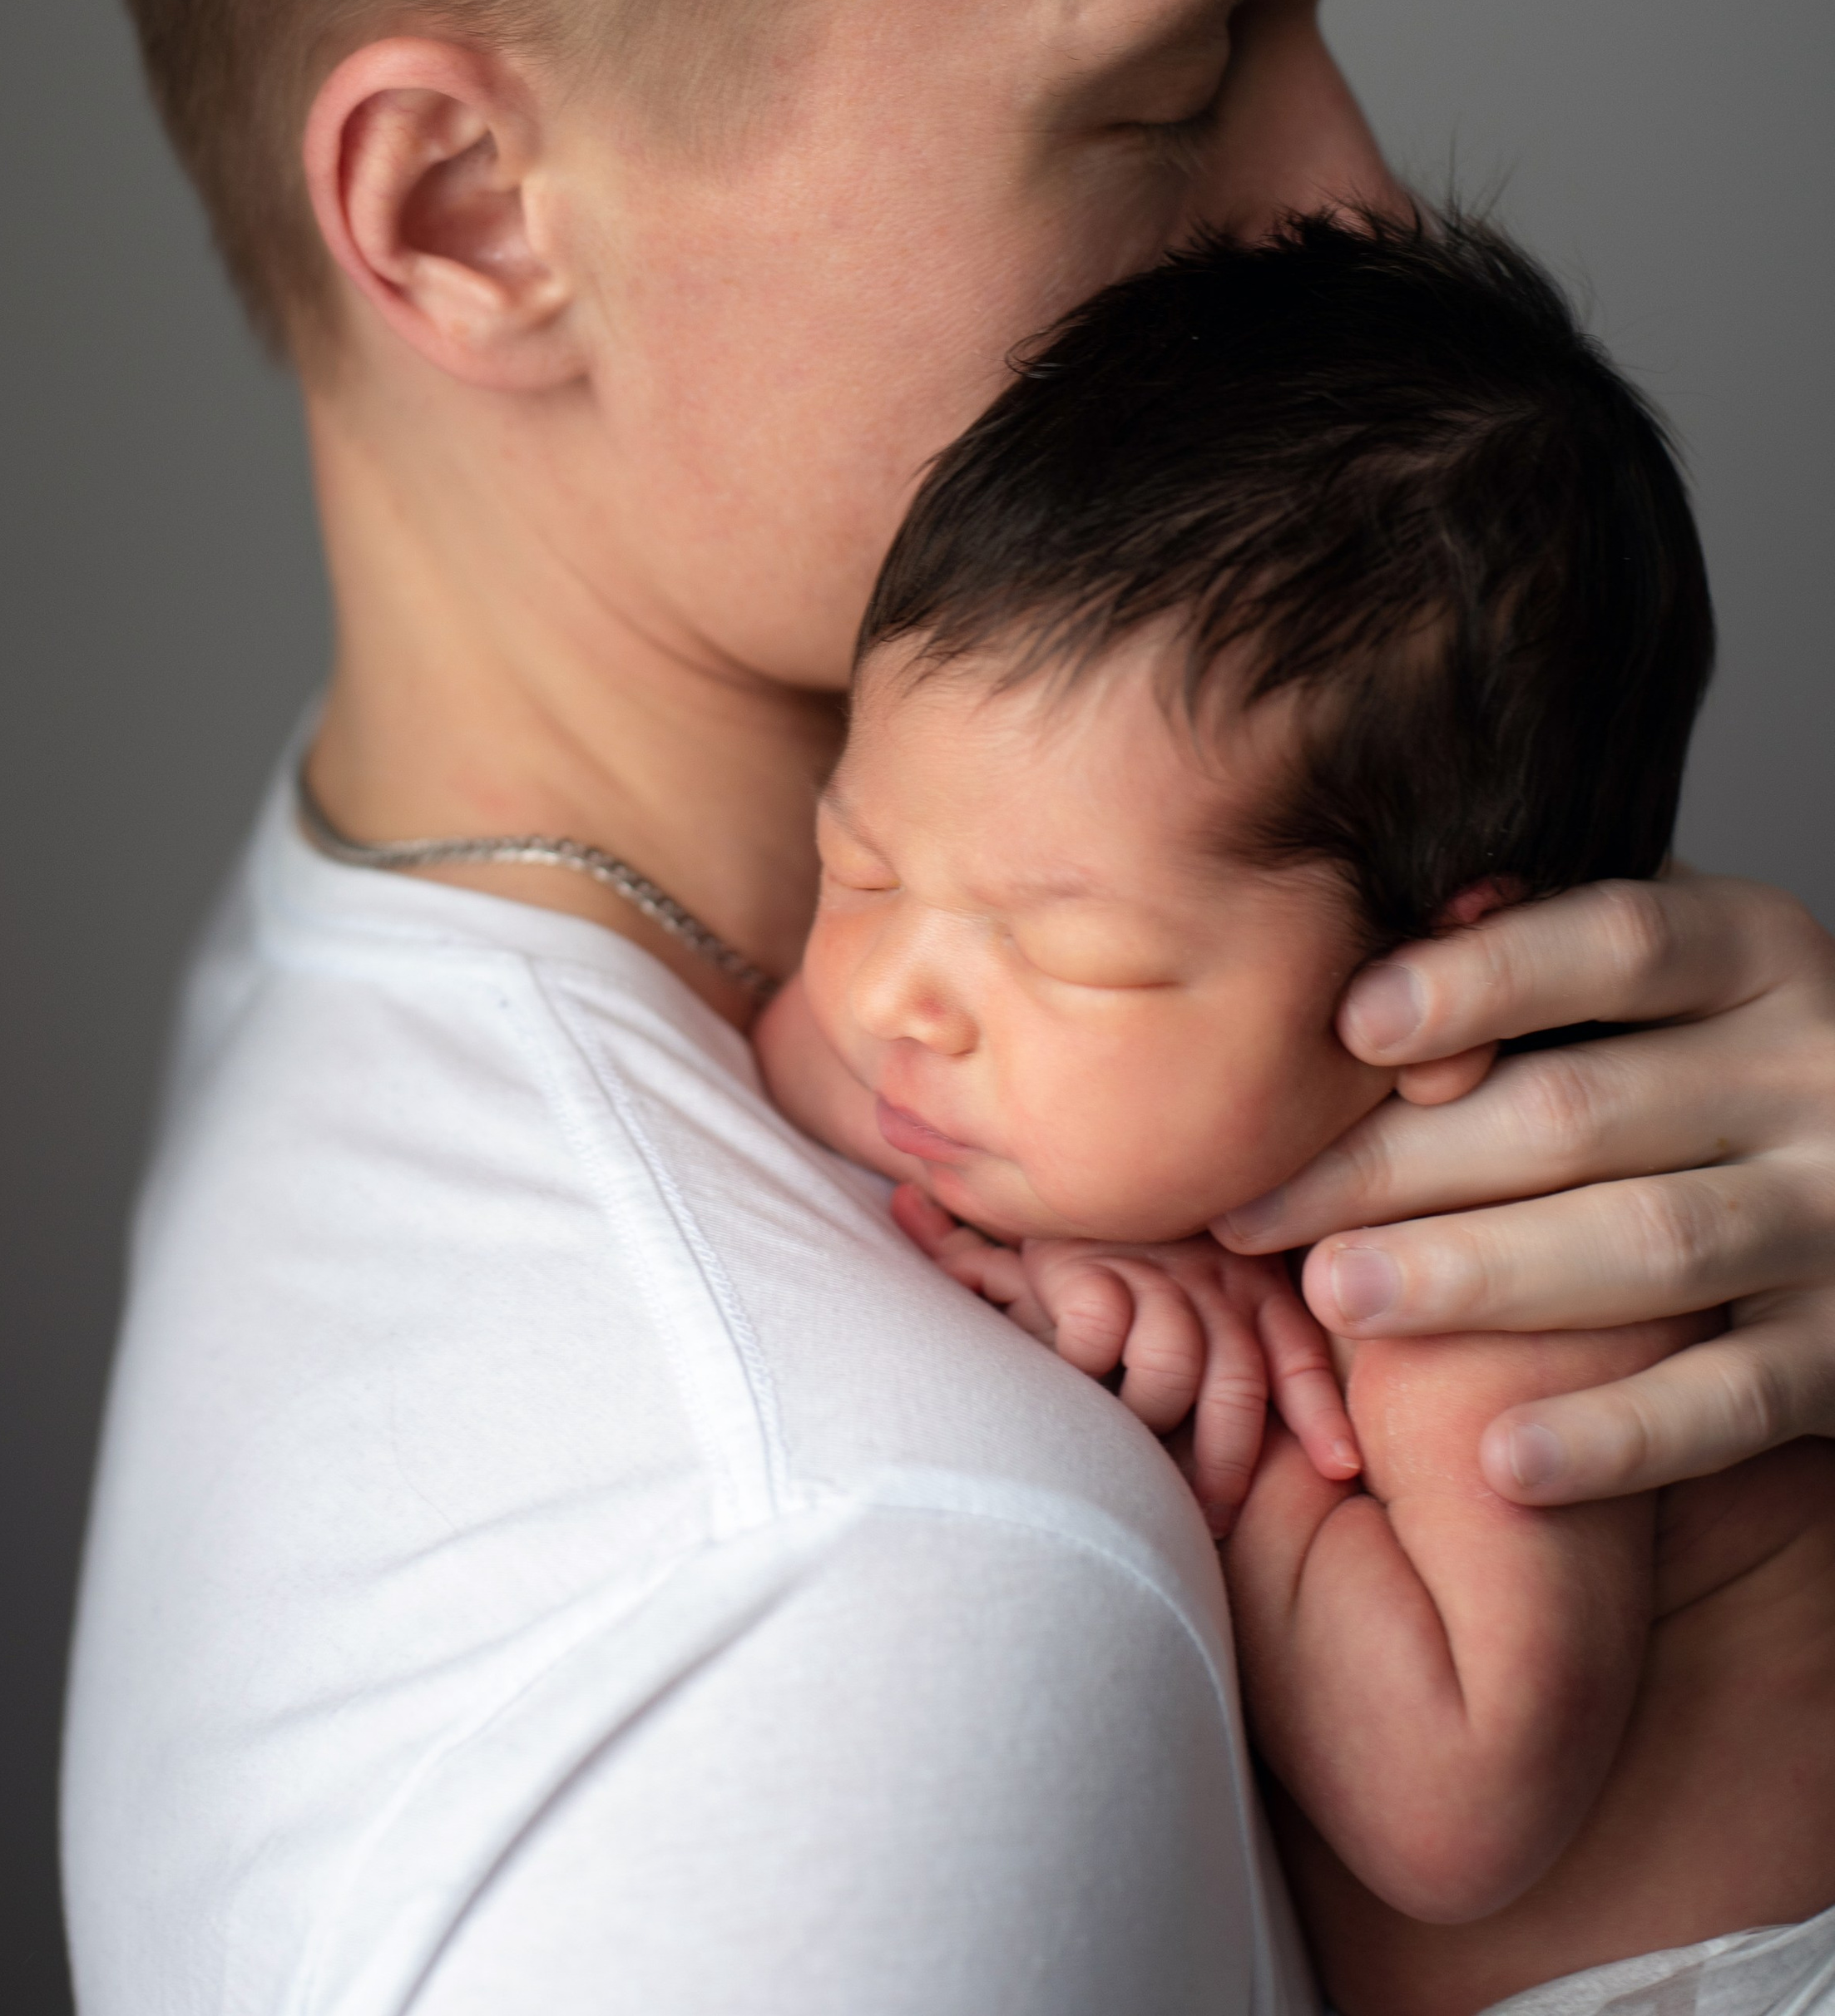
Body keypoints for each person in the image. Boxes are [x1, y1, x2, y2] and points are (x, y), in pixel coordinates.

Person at [61, 0, 1835, 2014]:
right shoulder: (877, 1605)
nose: (1359, 194)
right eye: (1174, 74)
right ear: (473, 213)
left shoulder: (379, 933)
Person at [757, 210, 1835, 2016]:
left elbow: (1456, 1805)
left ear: (1437, 990)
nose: (888, 1002)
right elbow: (804, 1051)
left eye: (1074, 958)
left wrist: (1222, 1423)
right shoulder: (998, 1041)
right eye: (855, 866)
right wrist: (1072, 1232)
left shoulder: (1512, 1262)